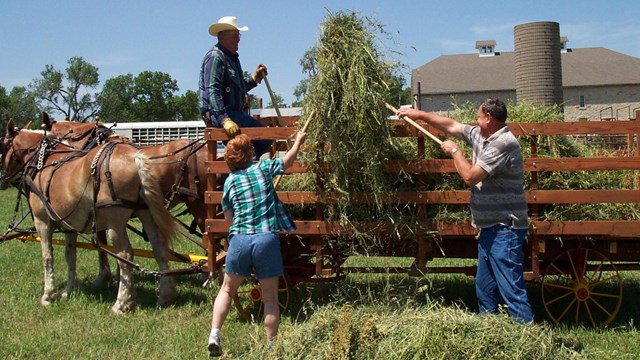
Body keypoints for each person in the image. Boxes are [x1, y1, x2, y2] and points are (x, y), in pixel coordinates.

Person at [397, 99, 533, 324]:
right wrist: (418, 114)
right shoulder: (482, 135)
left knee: (511, 289)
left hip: (505, 229)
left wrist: (455, 151)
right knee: (485, 289)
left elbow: (471, 177)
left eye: (478, 116)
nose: (476, 120)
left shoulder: (504, 144)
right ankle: (491, 333)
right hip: (488, 229)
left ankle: (529, 337)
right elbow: (452, 126)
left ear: (488, 118)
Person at [207, 130, 307, 357]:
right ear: (250, 154)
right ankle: (271, 347)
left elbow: (229, 218)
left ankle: (214, 334)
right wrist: (298, 142)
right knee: (270, 297)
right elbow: (287, 161)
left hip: (240, 239)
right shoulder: (262, 168)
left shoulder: (230, 181)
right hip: (265, 239)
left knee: (227, 289)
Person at [198, 16, 272, 158]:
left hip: (233, 113)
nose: (238, 39)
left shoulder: (232, 58)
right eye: (235, 36)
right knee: (264, 137)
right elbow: (212, 91)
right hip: (219, 113)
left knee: (257, 142)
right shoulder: (215, 57)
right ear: (222, 37)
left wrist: (254, 79)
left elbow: (238, 88)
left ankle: (239, 168)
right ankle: (242, 170)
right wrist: (224, 119)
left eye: (239, 36)